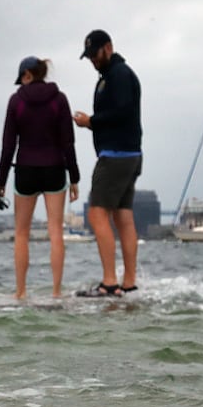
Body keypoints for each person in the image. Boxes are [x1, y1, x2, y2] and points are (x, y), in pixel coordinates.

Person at [0, 56, 81, 299]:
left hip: (26, 171)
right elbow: (68, 143)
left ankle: (20, 292)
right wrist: (74, 178)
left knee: (22, 233)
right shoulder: (60, 100)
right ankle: (56, 292)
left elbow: (8, 146)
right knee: (55, 230)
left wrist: (0, 181)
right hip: (55, 168)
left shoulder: (16, 102)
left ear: (27, 75)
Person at [72, 29, 141, 297]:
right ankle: (129, 282)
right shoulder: (112, 76)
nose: (92, 60)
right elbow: (119, 116)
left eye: (94, 54)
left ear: (108, 48)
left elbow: (122, 112)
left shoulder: (119, 75)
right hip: (128, 153)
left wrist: (92, 121)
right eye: (88, 57)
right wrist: (92, 125)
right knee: (123, 217)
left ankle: (110, 282)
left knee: (96, 213)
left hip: (116, 156)